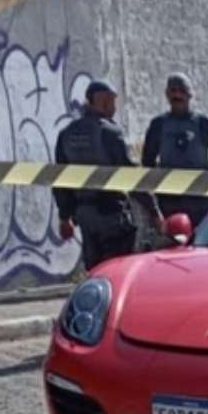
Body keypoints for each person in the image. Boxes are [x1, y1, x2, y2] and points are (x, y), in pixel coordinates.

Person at [54, 80, 164, 271]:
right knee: (118, 271)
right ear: (104, 102)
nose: (114, 107)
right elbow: (132, 176)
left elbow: (61, 180)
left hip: (85, 216)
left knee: (94, 272)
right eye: (112, 102)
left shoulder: (66, 134)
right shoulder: (110, 133)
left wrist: (65, 217)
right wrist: (154, 212)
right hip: (112, 215)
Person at [142, 73, 208, 226]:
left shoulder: (203, 123)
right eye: (173, 91)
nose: (177, 95)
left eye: (181, 90)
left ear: (190, 94)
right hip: (169, 202)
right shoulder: (158, 124)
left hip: (199, 201)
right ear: (167, 95)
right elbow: (147, 163)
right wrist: (152, 206)